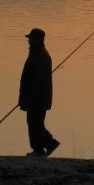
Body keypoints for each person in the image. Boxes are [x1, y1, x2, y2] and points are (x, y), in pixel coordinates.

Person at [19, 28, 60, 157]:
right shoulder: (34, 54)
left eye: (31, 39)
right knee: (33, 123)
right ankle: (38, 149)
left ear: (39, 40)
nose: (29, 41)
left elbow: (40, 81)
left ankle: (49, 144)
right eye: (29, 39)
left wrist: (32, 97)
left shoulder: (43, 56)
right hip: (31, 97)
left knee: (35, 123)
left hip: (39, 98)